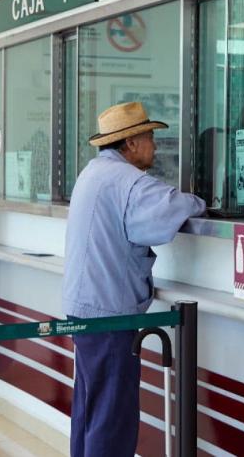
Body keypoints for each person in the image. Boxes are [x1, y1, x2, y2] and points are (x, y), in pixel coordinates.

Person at [62, 101, 206, 457]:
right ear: (130, 144)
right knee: (112, 415)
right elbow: (173, 208)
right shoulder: (127, 180)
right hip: (109, 312)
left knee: (90, 407)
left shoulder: (92, 172)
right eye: (149, 137)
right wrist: (201, 202)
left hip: (85, 307)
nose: (154, 146)